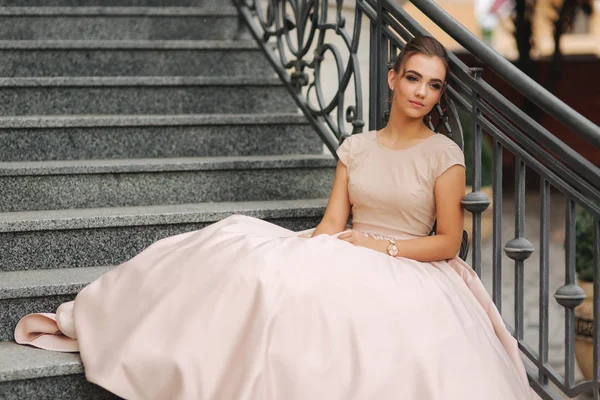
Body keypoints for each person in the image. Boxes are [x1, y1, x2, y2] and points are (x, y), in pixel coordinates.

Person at [15, 36, 541, 400]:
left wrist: (383, 250)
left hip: (411, 261)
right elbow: (333, 221)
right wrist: (308, 248)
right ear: (392, 79)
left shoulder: (443, 153)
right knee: (237, 248)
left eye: (432, 85)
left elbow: (449, 242)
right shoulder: (355, 147)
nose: (420, 92)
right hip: (348, 245)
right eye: (412, 78)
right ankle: (133, 330)